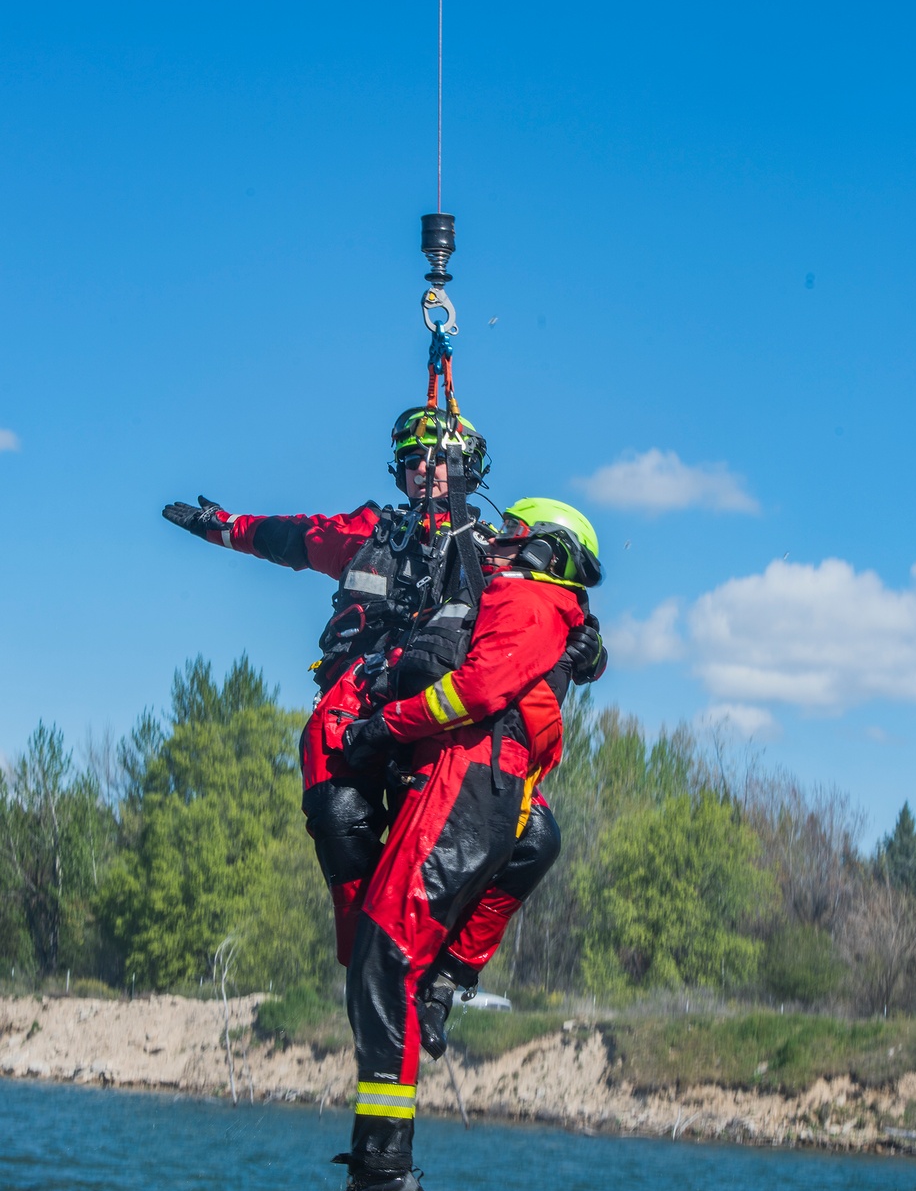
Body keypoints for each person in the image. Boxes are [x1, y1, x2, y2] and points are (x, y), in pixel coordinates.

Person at [162, 415, 604, 1062]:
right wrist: (224, 526)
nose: (424, 469)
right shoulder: (371, 533)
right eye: (412, 459)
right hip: (359, 699)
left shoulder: (491, 550)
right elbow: (293, 537)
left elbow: (548, 616)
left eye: (437, 458)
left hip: (440, 720)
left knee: (534, 838)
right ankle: (370, 971)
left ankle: (446, 976)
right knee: (340, 812)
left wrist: (588, 650)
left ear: (469, 471)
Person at [303, 497, 605, 1191]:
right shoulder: (528, 603)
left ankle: (382, 1173)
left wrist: (383, 724)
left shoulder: (532, 600)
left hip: (468, 780)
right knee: (388, 956)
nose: (495, 543)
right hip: (470, 779)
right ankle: (436, 997)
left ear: (543, 550)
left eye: (510, 535)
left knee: (383, 956)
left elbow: (476, 690)